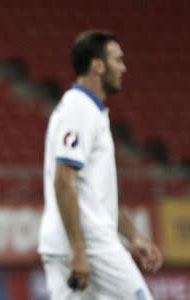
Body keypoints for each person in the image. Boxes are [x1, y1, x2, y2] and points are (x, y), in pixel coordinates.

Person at [38, 30, 163, 299]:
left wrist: (134, 236)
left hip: (72, 244)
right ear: (98, 65)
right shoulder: (79, 108)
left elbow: (94, 197)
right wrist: (79, 250)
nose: (123, 67)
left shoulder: (89, 110)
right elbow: (63, 180)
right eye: (117, 60)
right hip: (90, 246)